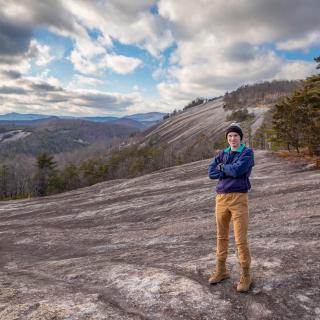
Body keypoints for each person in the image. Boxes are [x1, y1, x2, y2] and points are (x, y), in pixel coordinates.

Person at [207, 123, 254, 292]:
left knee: (240, 239)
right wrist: (228, 170)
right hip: (221, 198)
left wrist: (223, 168)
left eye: (235, 135)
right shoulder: (223, 153)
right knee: (221, 236)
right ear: (227, 138)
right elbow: (211, 172)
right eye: (230, 136)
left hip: (239, 198)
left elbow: (238, 170)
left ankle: (246, 275)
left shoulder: (247, 153)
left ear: (240, 137)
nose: (232, 138)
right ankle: (221, 271)